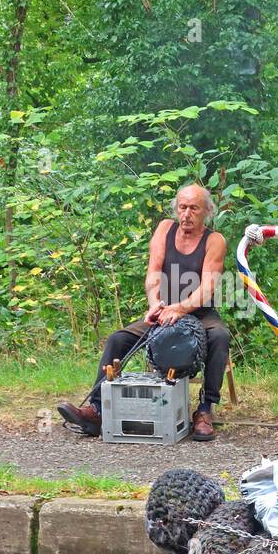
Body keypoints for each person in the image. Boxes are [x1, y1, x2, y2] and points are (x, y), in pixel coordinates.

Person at [57, 184, 230, 441]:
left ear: (206, 211)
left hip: (199, 313)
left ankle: (205, 410)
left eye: (194, 208)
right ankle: (95, 409)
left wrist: (180, 309)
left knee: (220, 336)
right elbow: (153, 274)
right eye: (182, 207)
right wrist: (155, 304)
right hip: (163, 310)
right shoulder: (164, 229)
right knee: (119, 339)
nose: (186, 214)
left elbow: (207, 288)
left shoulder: (214, 240)